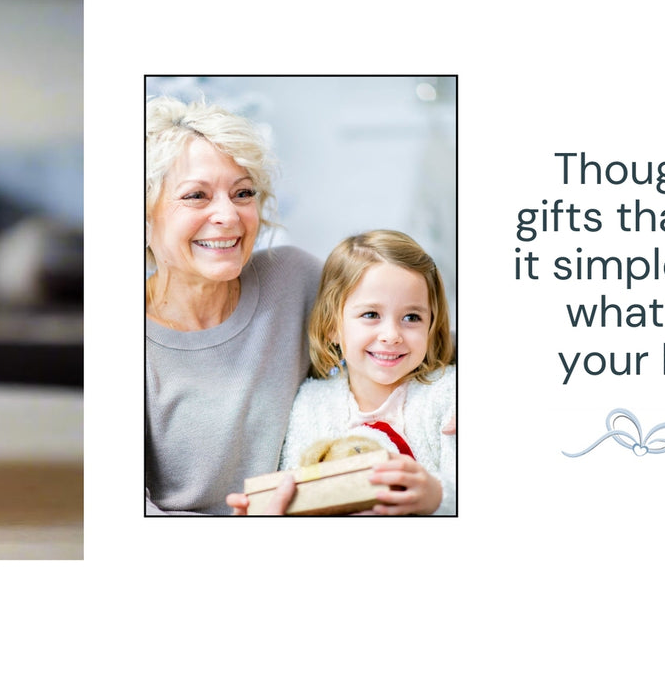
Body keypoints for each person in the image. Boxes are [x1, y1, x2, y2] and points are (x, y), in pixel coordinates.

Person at [143, 96, 319, 514]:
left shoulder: (296, 278)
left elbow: (423, 338)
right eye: (196, 196)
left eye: (242, 193)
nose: (228, 215)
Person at [232, 230, 456, 515]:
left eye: (412, 317)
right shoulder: (312, 405)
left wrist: (437, 496)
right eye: (371, 315)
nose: (391, 335)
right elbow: (298, 484)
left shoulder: (448, 396)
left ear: (431, 325)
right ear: (332, 327)